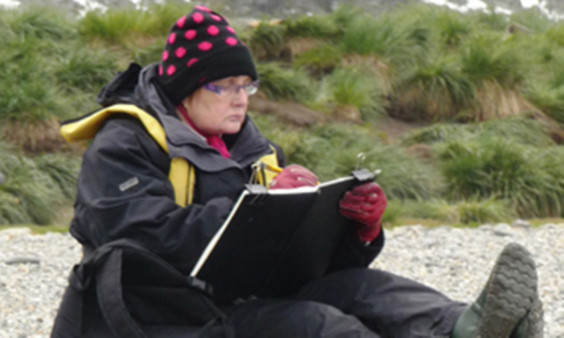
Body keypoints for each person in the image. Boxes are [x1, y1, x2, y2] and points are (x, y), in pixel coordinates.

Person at [52, 6, 543, 338]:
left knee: (369, 290)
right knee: (326, 327)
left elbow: (298, 257)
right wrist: (253, 209)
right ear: (185, 89)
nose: (241, 97)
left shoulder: (254, 147)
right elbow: (137, 235)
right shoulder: (123, 142)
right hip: (163, 312)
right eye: (225, 85)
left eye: (247, 84)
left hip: (243, 291)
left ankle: (473, 327)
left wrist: (356, 229)